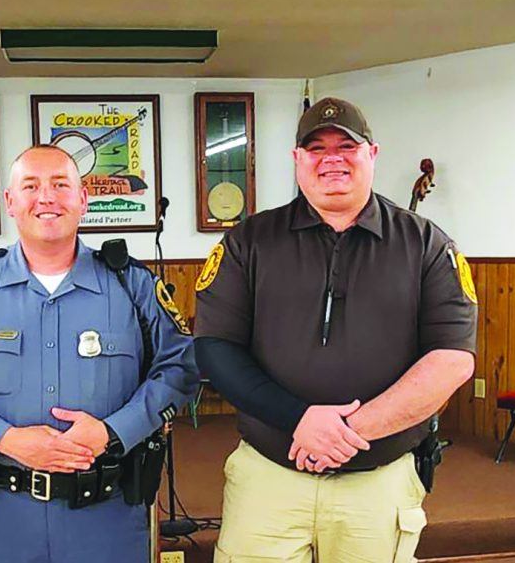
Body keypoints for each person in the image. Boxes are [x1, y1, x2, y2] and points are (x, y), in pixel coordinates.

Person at [194, 97, 477, 562]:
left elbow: (451, 360)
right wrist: (299, 420)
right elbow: (214, 349)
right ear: (297, 160)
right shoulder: (248, 242)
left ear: (372, 154)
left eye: (346, 146)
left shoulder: (427, 245)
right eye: (316, 147)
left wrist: (346, 432)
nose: (332, 159)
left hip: (377, 482)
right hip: (268, 478)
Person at [0, 145, 198, 563]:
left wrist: (113, 432)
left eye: (60, 185)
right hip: (2, 513)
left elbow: (180, 368)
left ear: (83, 200)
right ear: (10, 201)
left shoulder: (132, 285)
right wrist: (4, 439)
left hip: (109, 512)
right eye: (31, 186)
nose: (46, 197)